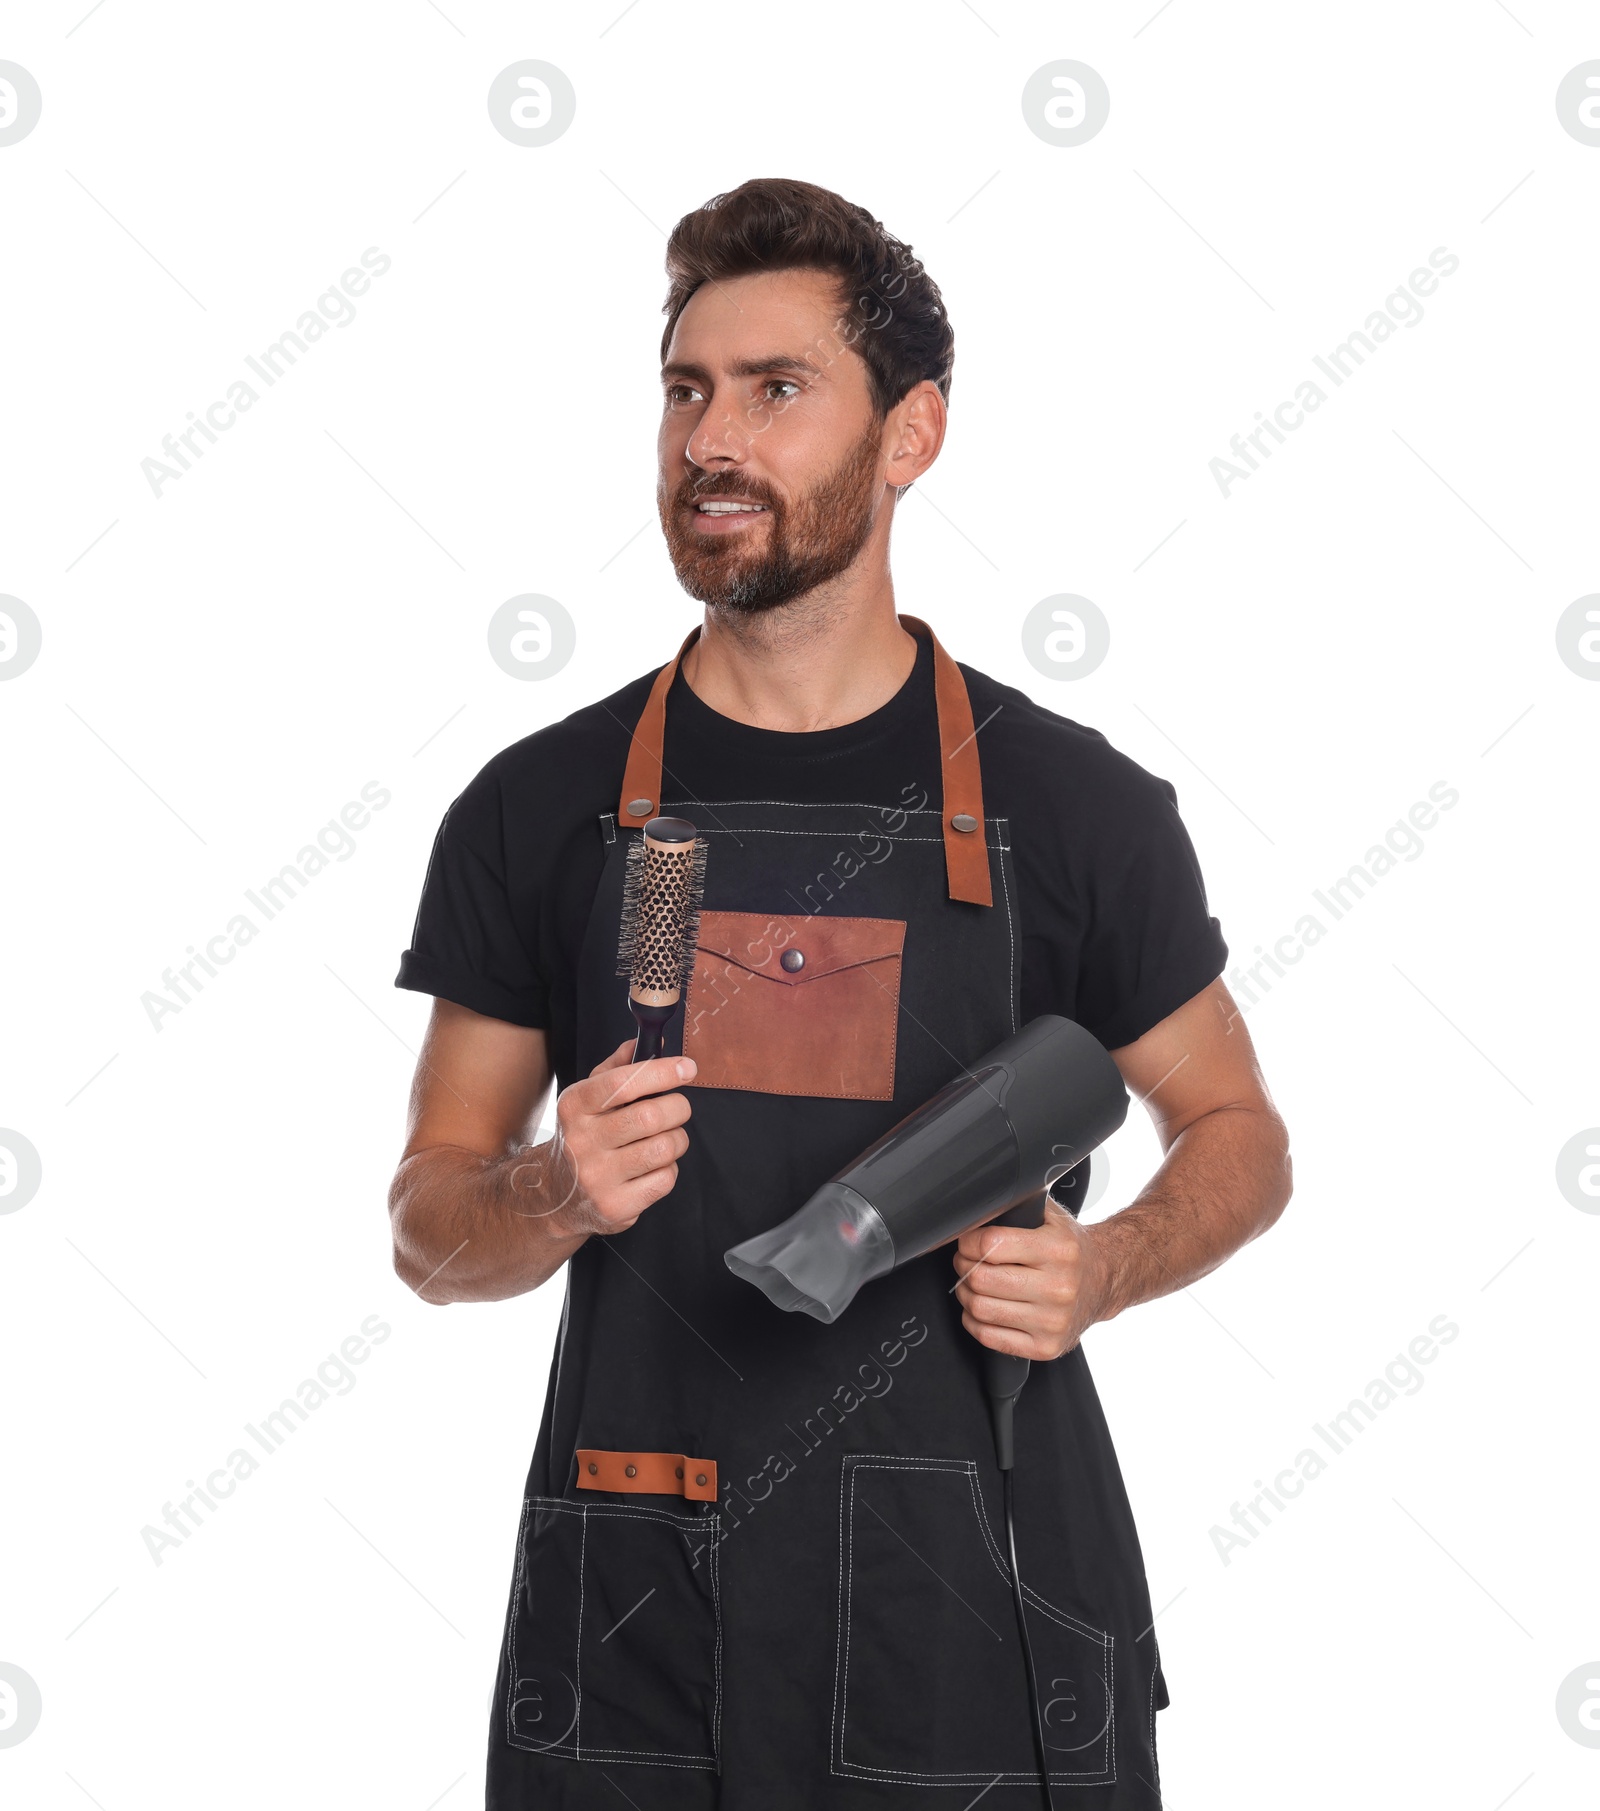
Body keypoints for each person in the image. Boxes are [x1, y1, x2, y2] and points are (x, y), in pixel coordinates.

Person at [389, 176, 1292, 1810]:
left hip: (984, 1600)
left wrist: (1109, 1267)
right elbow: (425, 1231)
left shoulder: (1072, 809)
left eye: (775, 390)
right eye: (685, 391)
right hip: (638, 1611)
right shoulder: (545, 807)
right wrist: (543, 1188)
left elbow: (1237, 1130)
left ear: (912, 433)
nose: (709, 441)